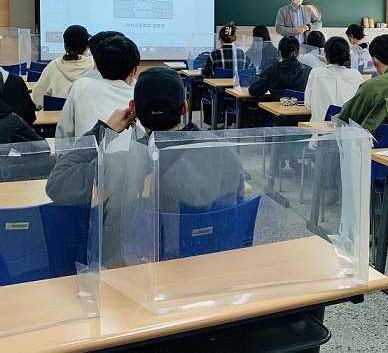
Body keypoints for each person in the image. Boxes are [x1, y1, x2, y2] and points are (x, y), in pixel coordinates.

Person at [46, 67, 248, 264]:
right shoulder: (225, 152)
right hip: (215, 267)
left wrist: (102, 130)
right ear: (185, 107)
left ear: (133, 109)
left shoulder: (120, 164)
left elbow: (57, 183)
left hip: (142, 274)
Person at [56, 35, 139, 139]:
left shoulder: (81, 86)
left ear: (97, 68)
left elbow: (63, 135)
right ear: (134, 71)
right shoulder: (140, 96)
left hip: (85, 149)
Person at [31, 24, 94, 109]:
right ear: (87, 46)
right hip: (84, 115)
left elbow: (38, 94)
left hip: (54, 116)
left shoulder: (53, 66)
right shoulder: (95, 66)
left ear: (65, 45)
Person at [304, 37, 362, 122]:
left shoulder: (316, 73)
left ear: (326, 56)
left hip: (320, 128)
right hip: (348, 128)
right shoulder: (356, 75)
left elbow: (308, 105)